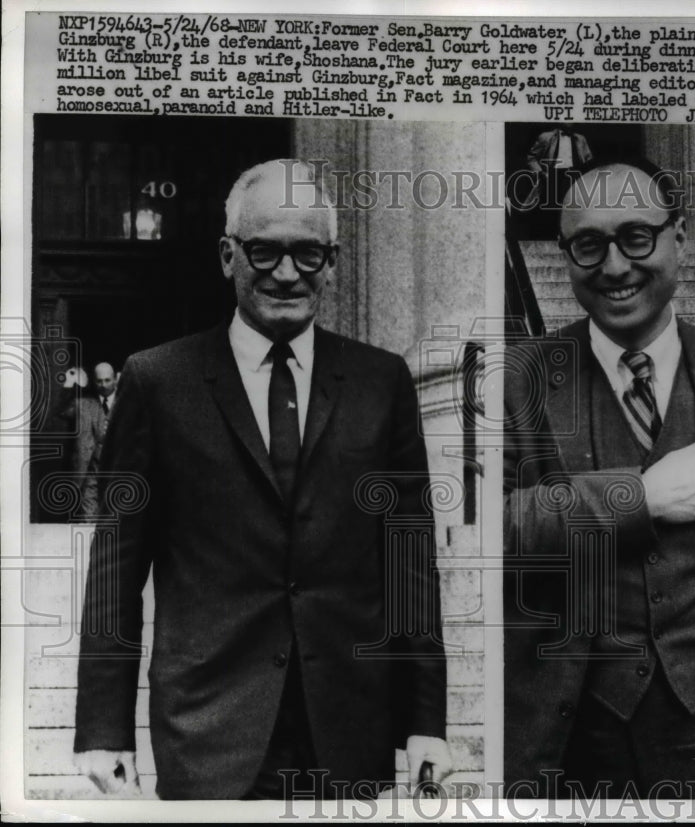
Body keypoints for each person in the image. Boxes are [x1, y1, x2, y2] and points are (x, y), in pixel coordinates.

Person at [73, 159, 450, 799]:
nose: (287, 273)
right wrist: (104, 729)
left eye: (308, 254)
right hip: (209, 729)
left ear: (332, 263)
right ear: (228, 256)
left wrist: (425, 724)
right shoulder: (158, 381)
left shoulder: (381, 382)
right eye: (264, 251)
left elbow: (409, 561)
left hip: (347, 729)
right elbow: (117, 565)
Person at [504, 157, 695, 799]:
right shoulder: (518, 380)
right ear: (566, 254)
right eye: (588, 245)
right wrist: (640, 497)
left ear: (680, 237)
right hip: (580, 727)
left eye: (637, 237)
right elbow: (486, 534)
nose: (614, 266)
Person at [59, 362, 117, 519]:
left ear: (115, 380)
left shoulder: (127, 403)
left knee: (115, 522)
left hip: (117, 474)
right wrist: (69, 383)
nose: (103, 385)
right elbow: (61, 411)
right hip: (90, 473)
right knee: (88, 520)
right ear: (93, 381)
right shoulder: (83, 403)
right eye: (99, 381)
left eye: (107, 380)